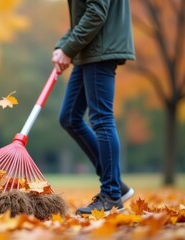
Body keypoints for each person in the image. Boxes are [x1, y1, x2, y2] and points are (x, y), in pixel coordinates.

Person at [52, 0, 135, 215]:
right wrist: (63, 46)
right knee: (69, 117)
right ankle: (115, 184)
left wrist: (68, 49)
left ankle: (111, 196)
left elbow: (96, 12)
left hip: (100, 47)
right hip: (88, 49)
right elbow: (82, 17)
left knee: (101, 118)